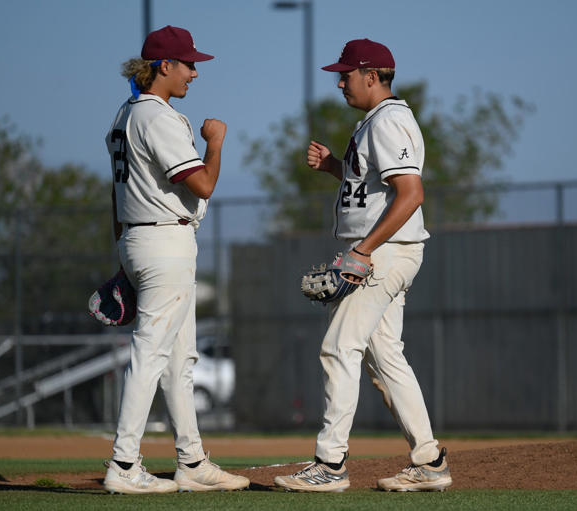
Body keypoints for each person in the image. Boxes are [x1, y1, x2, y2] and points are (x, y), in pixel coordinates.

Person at [274, 38, 452, 493]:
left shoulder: (390, 120)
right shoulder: (375, 122)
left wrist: (363, 251)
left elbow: (411, 194)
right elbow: (375, 189)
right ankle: (430, 461)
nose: (340, 82)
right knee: (384, 359)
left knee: (338, 348)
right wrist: (336, 166)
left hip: (383, 252)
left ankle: (330, 465)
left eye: (346, 74)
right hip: (386, 249)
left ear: (371, 76)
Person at [102, 25, 249, 494]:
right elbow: (202, 184)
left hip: (142, 238)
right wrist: (216, 142)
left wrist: (125, 255)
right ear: (163, 66)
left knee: (179, 359)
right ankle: (124, 465)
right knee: (151, 354)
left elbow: (115, 194)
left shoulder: (125, 113)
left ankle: (192, 461)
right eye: (188, 64)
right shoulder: (157, 117)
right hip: (164, 242)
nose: (194, 73)